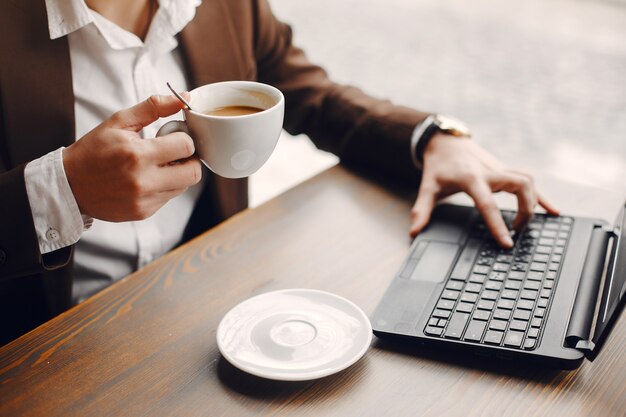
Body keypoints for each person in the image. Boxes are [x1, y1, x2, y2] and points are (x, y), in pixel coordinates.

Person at [0, 0, 558, 345]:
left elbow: (309, 93)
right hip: (43, 351)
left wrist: (430, 137)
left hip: (203, 318)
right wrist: (61, 192)